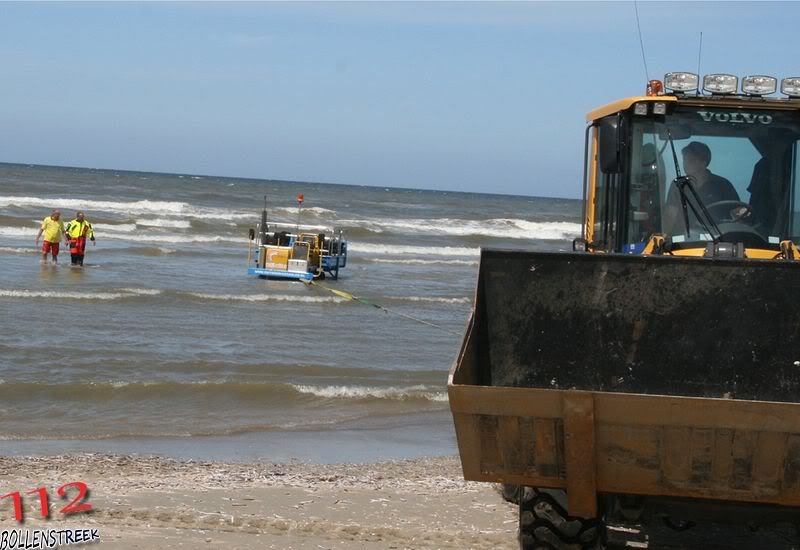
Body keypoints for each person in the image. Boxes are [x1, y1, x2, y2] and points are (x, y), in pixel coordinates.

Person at [663, 141, 739, 233]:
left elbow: (738, 214)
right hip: (684, 242)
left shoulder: (723, 185)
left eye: (691, 160)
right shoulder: (678, 185)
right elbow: (670, 216)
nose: (686, 164)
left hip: (719, 241)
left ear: (703, 163)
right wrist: (664, 237)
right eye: (684, 160)